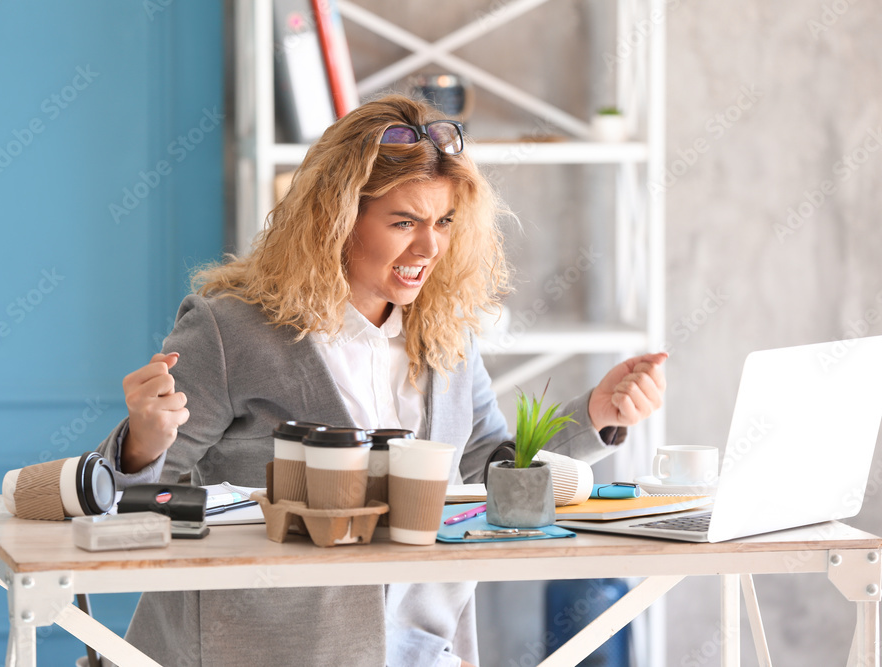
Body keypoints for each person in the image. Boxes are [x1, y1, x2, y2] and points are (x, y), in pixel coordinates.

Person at [97, 94, 667, 667]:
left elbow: (489, 467)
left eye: (444, 222)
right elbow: (128, 502)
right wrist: (144, 437)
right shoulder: (231, 329)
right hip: (266, 650)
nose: (429, 247)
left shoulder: (446, 334)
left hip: (422, 648)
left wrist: (596, 414)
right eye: (404, 222)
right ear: (336, 222)